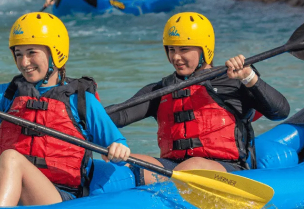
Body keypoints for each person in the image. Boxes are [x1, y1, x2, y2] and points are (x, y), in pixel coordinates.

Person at [0, 12, 131, 207]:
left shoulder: (81, 100)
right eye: (18, 54)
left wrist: (118, 150)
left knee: (11, 158)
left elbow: (117, 143)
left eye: (31, 53)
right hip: (9, 190)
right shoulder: (9, 94)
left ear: (55, 53)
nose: (24, 62)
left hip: (57, 199)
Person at [107, 12, 290, 185]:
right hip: (173, 167)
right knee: (122, 161)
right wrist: (89, 111)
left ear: (204, 50)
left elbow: (280, 112)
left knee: (192, 166)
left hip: (228, 169)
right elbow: (120, 115)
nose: (176, 57)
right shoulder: (162, 89)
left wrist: (249, 77)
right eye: (171, 49)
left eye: (184, 49)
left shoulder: (233, 81)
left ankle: (163, 188)